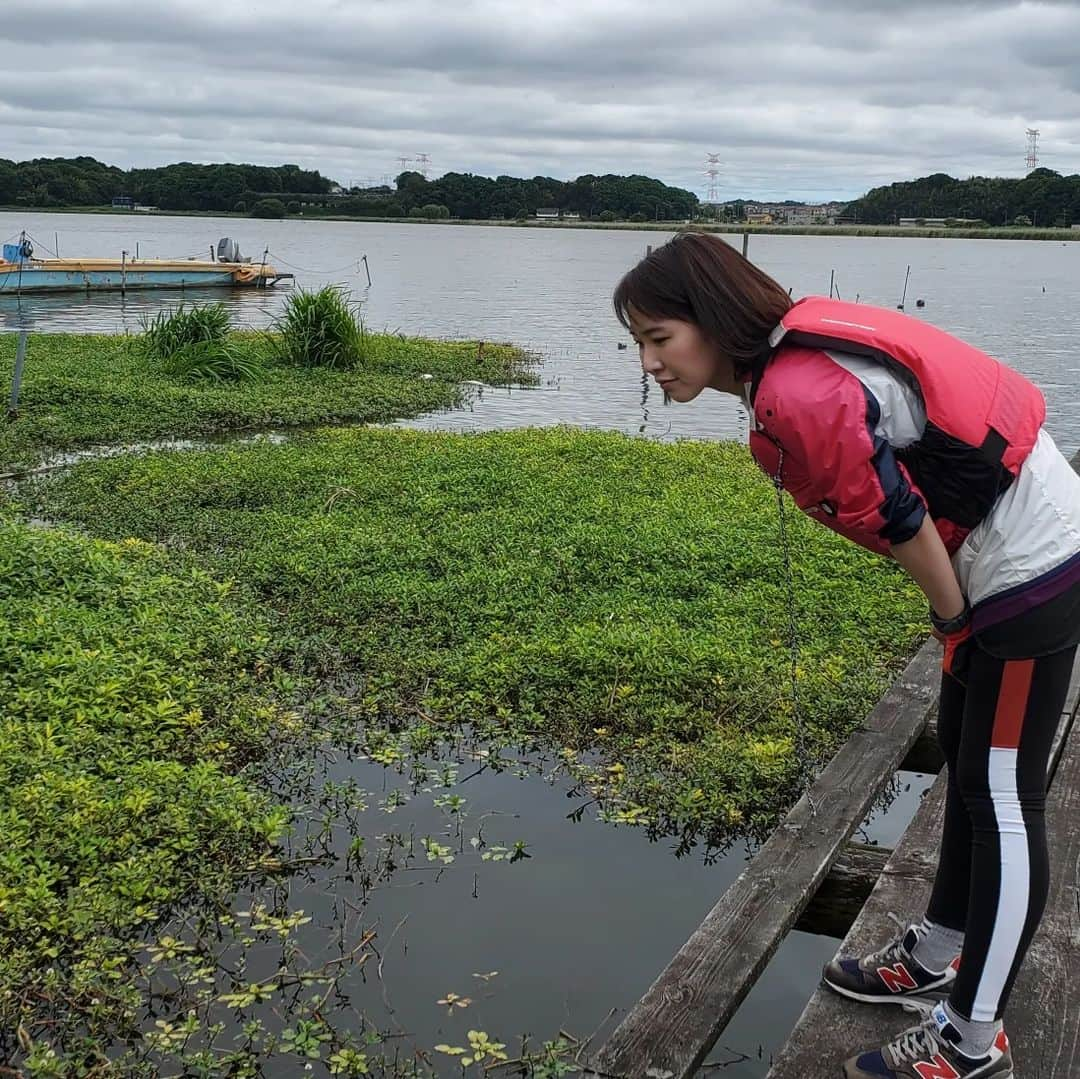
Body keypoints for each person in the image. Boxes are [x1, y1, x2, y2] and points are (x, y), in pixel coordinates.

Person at [613, 231, 1080, 1079]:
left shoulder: (796, 392)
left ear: (712, 320)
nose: (648, 362)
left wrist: (955, 622)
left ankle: (971, 1040)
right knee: (968, 764)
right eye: (636, 343)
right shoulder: (790, 361)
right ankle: (937, 949)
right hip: (1005, 555)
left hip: (1033, 565)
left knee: (1006, 799)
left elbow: (901, 520)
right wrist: (958, 623)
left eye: (658, 338)